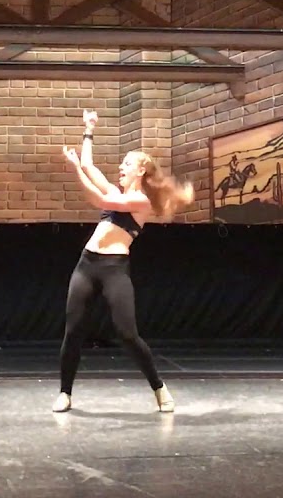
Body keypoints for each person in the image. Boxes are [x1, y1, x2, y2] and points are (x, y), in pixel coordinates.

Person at [53, 109, 195, 414]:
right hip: (86, 266)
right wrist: (88, 130)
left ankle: (159, 388)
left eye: (127, 163)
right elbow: (90, 165)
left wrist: (75, 170)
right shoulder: (117, 191)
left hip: (114, 269)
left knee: (127, 333)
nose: (121, 166)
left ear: (141, 170)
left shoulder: (141, 202)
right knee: (73, 331)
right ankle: (65, 392)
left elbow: (100, 200)